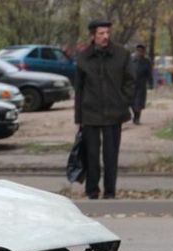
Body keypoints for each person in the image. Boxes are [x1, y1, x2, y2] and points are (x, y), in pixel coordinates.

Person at [74, 18, 134, 200]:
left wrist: (123, 101)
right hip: (90, 113)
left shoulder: (121, 54)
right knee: (91, 155)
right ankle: (92, 191)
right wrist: (79, 118)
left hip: (114, 113)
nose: (105, 36)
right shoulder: (84, 57)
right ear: (93, 35)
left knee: (111, 156)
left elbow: (130, 81)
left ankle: (110, 192)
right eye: (101, 33)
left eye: (107, 33)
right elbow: (79, 89)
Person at [130, 44, 152, 125]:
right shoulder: (130, 60)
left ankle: (137, 118)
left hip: (141, 85)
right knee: (131, 102)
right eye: (138, 51)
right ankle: (135, 115)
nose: (139, 53)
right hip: (131, 84)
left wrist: (150, 83)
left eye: (141, 51)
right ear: (135, 51)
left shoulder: (146, 62)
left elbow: (149, 73)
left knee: (138, 102)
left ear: (143, 52)